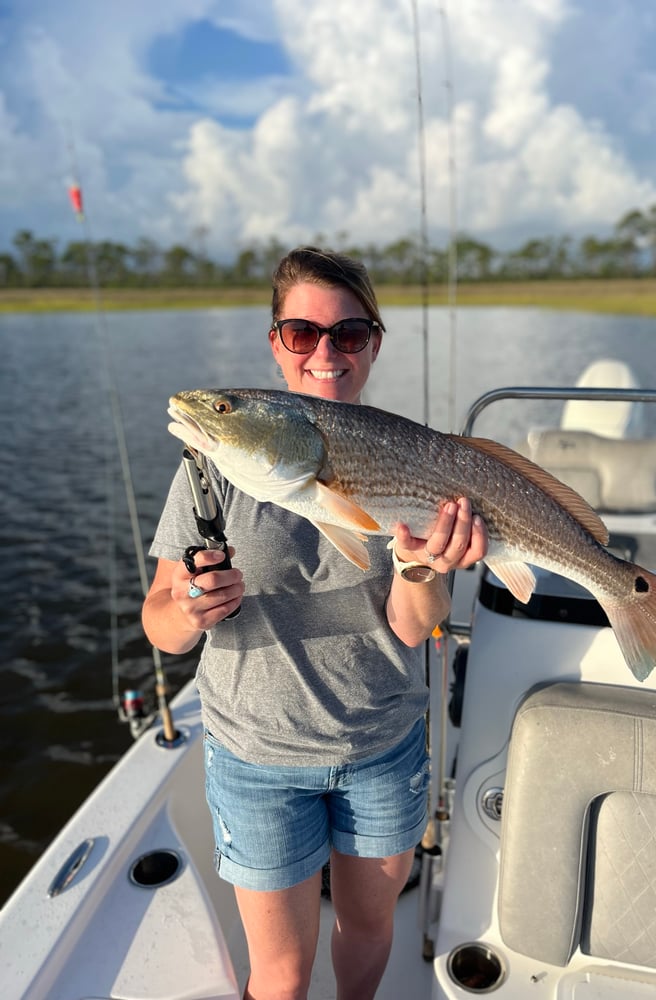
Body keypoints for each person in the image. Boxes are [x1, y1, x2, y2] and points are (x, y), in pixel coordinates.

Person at [142, 246, 488, 1000]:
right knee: (282, 972)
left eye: (350, 333)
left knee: (367, 930)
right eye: (302, 333)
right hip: (255, 755)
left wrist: (426, 568)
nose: (325, 351)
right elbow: (161, 628)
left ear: (373, 343)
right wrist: (190, 609)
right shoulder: (208, 465)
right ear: (276, 343)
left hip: (381, 746)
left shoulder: (413, 460)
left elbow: (411, 627)